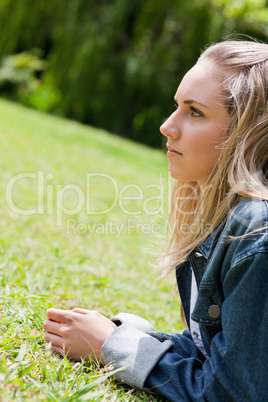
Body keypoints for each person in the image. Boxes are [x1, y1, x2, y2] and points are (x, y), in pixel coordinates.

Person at [43, 40, 268, 401]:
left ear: (248, 133)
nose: (167, 126)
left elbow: (232, 392)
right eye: (176, 107)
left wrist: (113, 347)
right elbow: (212, 350)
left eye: (194, 112)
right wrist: (133, 338)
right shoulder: (220, 220)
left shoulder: (256, 235)